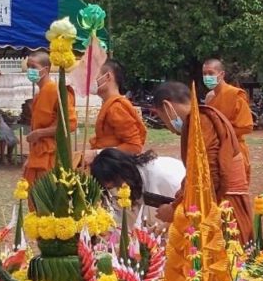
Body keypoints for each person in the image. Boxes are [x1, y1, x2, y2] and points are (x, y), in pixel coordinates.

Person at [151, 81, 252, 242]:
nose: (168, 127)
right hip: (219, 201)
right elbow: (194, 175)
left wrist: (175, 209)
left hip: (225, 206)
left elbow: (207, 177)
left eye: (163, 119)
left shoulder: (202, 121)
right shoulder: (198, 121)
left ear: (167, 106)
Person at [90, 148, 185, 228]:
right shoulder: (129, 181)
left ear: (125, 170)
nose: (117, 191)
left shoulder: (165, 178)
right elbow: (126, 220)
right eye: (110, 188)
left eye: (117, 185)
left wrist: (170, 217)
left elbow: (187, 207)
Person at [23, 51, 77, 187]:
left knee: (45, 195)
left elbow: (70, 124)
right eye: (28, 67)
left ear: (45, 69)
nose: (29, 70)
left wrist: (39, 133)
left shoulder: (56, 90)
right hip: (37, 152)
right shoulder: (39, 95)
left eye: (33, 67)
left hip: (52, 153)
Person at [85, 59, 147, 163]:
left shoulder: (117, 107)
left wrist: (96, 154)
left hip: (116, 167)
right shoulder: (109, 104)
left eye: (93, 75)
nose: (89, 80)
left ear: (108, 77)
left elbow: (134, 146)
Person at [202, 58, 252, 179]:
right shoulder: (209, 97)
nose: (207, 77)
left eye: (211, 73)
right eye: (204, 74)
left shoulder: (235, 95)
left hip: (234, 150)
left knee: (234, 188)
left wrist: (220, 134)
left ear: (221, 74)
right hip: (215, 151)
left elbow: (247, 127)